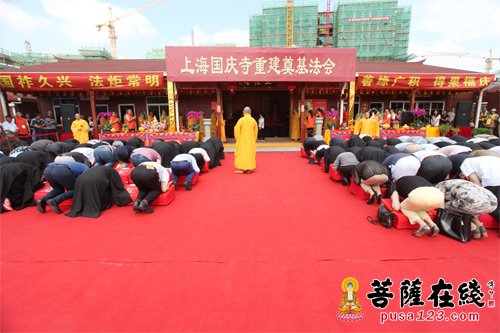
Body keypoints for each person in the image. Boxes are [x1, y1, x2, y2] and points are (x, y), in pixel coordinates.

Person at [66, 166, 131, 218]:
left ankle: (82, 207)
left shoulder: (95, 169)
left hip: (80, 180)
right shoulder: (112, 171)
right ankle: (93, 207)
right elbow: (117, 185)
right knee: (98, 191)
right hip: (96, 180)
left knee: (84, 192)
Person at [460, 156, 500, 221]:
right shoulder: (492, 159)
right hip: (494, 180)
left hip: (493, 182)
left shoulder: (466, 163)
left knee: (492, 207)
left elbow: (476, 183)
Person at [234, 106, 258, 174]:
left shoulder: (241, 120)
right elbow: (256, 132)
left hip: (242, 141)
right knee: (250, 154)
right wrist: (253, 140)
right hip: (250, 141)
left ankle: (241, 168)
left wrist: (238, 139)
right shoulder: (253, 120)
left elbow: (236, 130)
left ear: (243, 112)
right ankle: (249, 169)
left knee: (242, 154)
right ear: (250, 112)